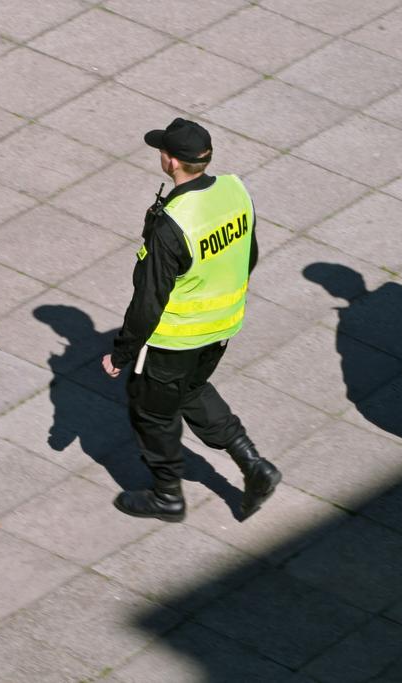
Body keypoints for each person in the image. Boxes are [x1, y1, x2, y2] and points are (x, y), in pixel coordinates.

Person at [102, 118, 281, 522]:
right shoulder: (236, 190)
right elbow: (249, 253)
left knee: (152, 412)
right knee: (191, 391)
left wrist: (121, 352)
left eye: (161, 151)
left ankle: (167, 496)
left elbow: (150, 300)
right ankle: (254, 465)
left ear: (171, 161)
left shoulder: (174, 223)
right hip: (223, 325)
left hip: (174, 337)